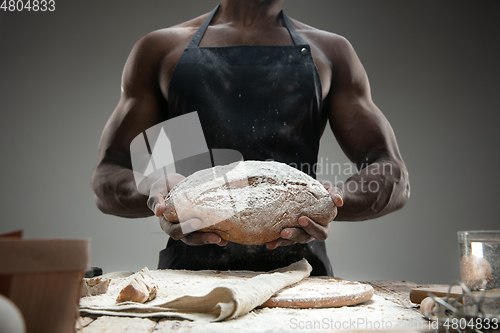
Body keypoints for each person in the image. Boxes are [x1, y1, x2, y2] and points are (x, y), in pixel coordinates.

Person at [91, 0, 410, 276]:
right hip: (190, 281)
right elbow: (108, 175)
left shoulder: (330, 52)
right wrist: (154, 190)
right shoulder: (161, 50)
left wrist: (332, 200)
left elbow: (393, 174)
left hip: (300, 279)